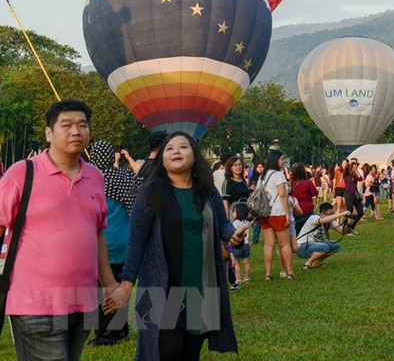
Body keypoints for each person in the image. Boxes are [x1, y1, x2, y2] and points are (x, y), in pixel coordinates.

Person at [103, 131, 245, 360]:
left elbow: (221, 224)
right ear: (162, 159)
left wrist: (233, 235)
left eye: (183, 147)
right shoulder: (151, 193)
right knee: (167, 350)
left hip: (201, 285)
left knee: (190, 351)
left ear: (195, 156)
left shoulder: (206, 191)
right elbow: (136, 243)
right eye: (169, 148)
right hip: (165, 288)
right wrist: (126, 286)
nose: (176, 151)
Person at [0, 99, 117, 360]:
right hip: (34, 303)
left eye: (82, 125)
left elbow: (96, 233)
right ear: (49, 133)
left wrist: (108, 283)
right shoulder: (22, 173)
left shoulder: (96, 177)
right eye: (66, 125)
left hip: (83, 303)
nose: (76, 131)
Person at [85, 140, 141, 347]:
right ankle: (121, 328)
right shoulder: (127, 177)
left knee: (100, 290)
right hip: (124, 241)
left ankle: (107, 335)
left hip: (100, 242)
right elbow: (136, 208)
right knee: (118, 285)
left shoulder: (89, 180)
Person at [258, 149, 294, 280]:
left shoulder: (263, 176)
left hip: (264, 213)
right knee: (284, 244)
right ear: (275, 160)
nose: (283, 162)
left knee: (268, 244)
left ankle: (268, 273)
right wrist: (287, 214)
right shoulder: (279, 175)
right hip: (278, 212)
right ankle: (289, 272)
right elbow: (283, 194)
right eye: (281, 159)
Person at [296, 202, 351, 269]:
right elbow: (322, 221)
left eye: (332, 214)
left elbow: (342, 231)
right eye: (330, 214)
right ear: (322, 214)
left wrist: (348, 225)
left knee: (336, 245)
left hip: (314, 245)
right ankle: (307, 264)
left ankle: (316, 263)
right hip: (301, 247)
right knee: (324, 247)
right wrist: (341, 214)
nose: (332, 216)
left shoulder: (329, 220)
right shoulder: (314, 217)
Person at [289, 163, 318, 231]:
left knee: (295, 230)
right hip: (306, 210)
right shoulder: (308, 182)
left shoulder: (289, 182)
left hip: (293, 209)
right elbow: (315, 193)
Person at [230, 201, 252, 284]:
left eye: (234, 211)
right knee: (246, 261)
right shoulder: (247, 222)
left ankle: (238, 278)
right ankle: (247, 277)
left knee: (236, 262)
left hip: (238, 245)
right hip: (246, 244)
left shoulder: (235, 223)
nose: (233, 213)